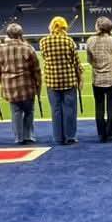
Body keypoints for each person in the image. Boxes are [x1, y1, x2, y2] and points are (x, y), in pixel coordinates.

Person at [0, 23, 41, 144]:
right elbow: (36, 69)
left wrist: (2, 81)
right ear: (21, 34)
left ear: (8, 34)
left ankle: (18, 137)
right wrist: (38, 83)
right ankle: (28, 136)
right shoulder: (28, 48)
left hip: (10, 87)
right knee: (29, 111)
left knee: (16, 112)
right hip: (26, 85)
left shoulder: (0, 50)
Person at [39, 16, 82, 145]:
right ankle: (70, 136)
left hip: (52, 81)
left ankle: (58, 137)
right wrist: (80, 78)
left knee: (56, 110)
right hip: (68, 80)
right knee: (70, 110)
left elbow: (45, 58)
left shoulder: (43, 41)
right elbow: (76, 62)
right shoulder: (68, 41)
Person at [86, 16, 112, 143]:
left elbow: (89, 60)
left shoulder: (90, 41)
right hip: (111, 78)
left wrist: (97, 66)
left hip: (97, 79)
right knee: (111, 107)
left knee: (99, 108)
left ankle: (101, 134)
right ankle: (110, 132)